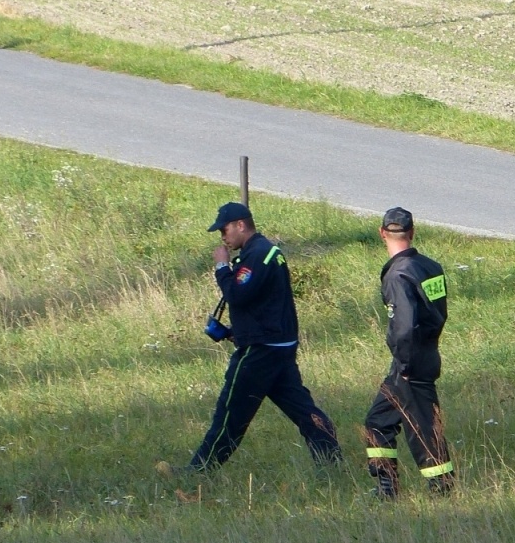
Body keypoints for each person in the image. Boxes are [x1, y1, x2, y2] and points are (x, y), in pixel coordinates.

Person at [181, 201, 342, 471]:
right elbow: (265, 303)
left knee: (230, 413)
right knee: (303, 410)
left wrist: (222, 267)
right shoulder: (265, 252)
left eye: (225, 230)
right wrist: (237, 332)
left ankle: (198, 471)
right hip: (277, 345)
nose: (223, 237)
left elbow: (237, 295)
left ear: (241, 225)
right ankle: (332, 461)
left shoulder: (257, 255)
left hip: (260, 352)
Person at [363, 207, 455, 499]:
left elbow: (403, 325)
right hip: (427, 352)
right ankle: (386, 488)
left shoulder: (397, 275)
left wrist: (403, 365)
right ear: (413, 232)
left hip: (409, 361)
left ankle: (443, 488)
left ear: (382, 234)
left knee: (424, 427)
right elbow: (438, 312)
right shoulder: (431, 267)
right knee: (378, 421)